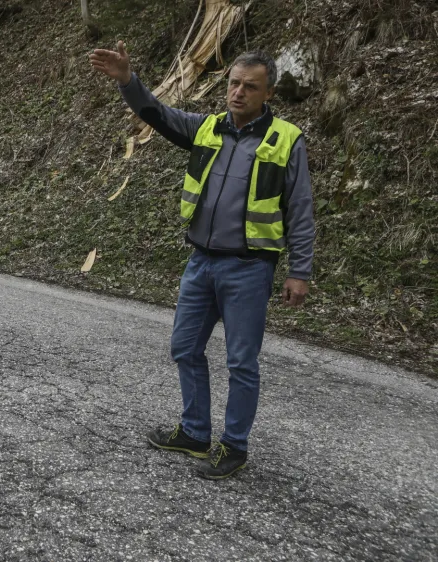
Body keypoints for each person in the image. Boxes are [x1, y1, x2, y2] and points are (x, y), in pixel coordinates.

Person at [89, 42, 315, 480]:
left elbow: (300, 210)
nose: (237, 93)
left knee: (241, 362)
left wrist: (299, 271)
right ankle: (195, 433)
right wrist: (126, 81)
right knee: (185, 348)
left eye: (250, 87)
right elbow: (156, 113)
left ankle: (233, 446)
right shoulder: (207, 128)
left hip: (249, 268)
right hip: (201, 263)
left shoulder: (285, 139)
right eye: (233, 83)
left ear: (267, 93)